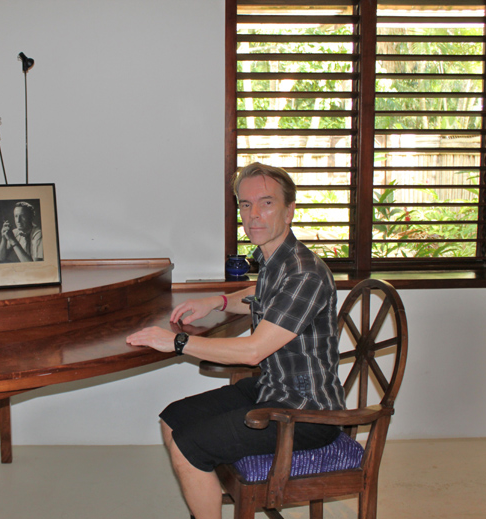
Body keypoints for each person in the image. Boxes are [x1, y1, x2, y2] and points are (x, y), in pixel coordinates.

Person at [125, 163, 345, 519]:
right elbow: (261, 290)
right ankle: (205, 500)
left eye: (266, 203)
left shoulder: (306, 273)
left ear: (289, 211)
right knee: (173, 419)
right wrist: (216, 301)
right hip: (274, 388)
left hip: (306, 414)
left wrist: (177, 342)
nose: (253, 215)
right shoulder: (280, 260)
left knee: (188, 445)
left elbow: (253, 349)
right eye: (245, 204)